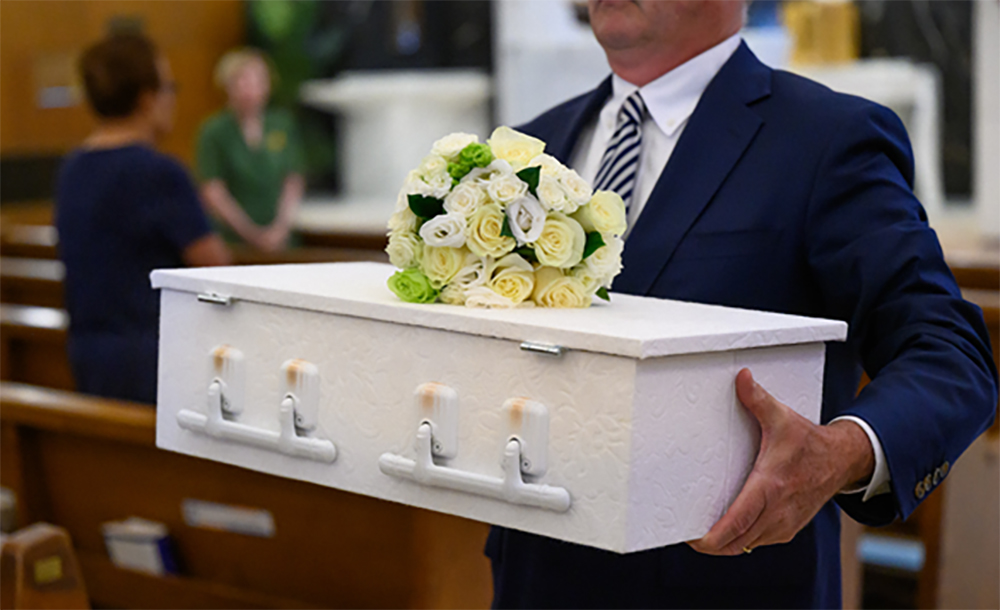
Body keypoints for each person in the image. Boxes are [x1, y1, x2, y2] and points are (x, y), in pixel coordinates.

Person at [485, 1, 998, 608]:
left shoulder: (824, 140)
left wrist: (840, 453)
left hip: (725, 580)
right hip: (535, 582)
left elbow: (947, 352)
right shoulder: (531, 147)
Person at [56, 33, 230, 405]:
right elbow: (217, 268)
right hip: (151, 358)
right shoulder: (158, 173)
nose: (172, 98)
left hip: (86, 355)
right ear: (147, 98)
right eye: (169, 87)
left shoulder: (73, 168)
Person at [195, 48, 305, 252]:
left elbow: (292, 179)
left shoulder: (281, 124)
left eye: (258, 80)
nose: (250, 88)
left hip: (281, 240)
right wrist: (252, 234)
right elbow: (213, 190)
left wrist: (280, 229)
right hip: (234, 241)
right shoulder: (214, 131)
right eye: (242, 80)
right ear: (227, 85)